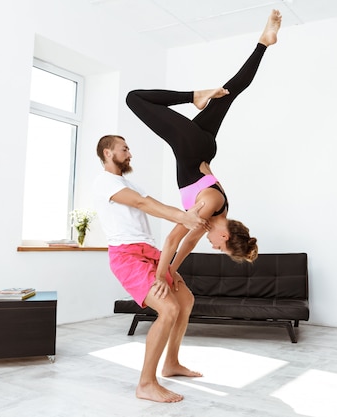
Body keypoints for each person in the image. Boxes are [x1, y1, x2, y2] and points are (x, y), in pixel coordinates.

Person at [125, 9, 282, 287]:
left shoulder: (211, 217)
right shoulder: (210, 205)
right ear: (226, 237)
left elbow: (185, 246)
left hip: (202, 146)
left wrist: (172, 272)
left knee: (229, 92)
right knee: (134, 99)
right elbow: (174, 238)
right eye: (220, 248)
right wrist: (160, 278)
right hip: (191, 147)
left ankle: (264, 42)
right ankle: (194, 95)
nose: (214, 248)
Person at [93, 134, 207, 403]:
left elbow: (154, 204)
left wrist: (186, 212)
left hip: (149, 252)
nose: (129, 153)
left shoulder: (128, 183)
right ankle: (146, 383)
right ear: (108, 153)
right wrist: (184, 218)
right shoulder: (104, 182)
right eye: (124, 149)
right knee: (168, 309)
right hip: (126, 255)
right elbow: (144, 205)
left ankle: (172, 363)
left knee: (185, 299)